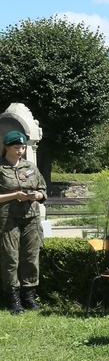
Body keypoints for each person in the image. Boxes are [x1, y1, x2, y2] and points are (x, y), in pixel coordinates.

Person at [0, 130, 46, 314]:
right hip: (7, 219)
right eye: (16, 147)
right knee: (10, 258)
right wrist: (15, 195)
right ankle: (13, 299)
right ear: (6, 147)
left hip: (31, 218)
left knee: (31, 257)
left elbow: (43, 188)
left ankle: (29, 297)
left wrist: (38, 195)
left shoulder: (31, 167)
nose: (21, 150)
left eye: (23, 147)